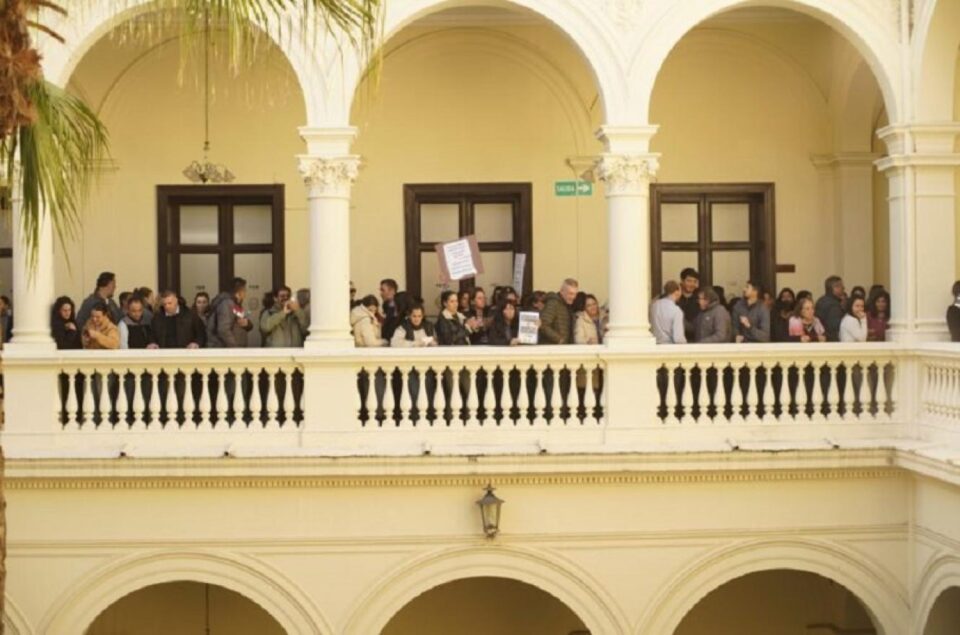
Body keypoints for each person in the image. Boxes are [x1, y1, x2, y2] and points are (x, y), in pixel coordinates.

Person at [207, 277, 253, 348]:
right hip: (224, 350)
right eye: (244, 290)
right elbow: (223, 330)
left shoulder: (235, 304)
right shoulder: (227, 304)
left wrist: (248, 324)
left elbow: (242, 322)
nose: (245, 293)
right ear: (238, 292)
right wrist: (234, 347)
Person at [539, 278, 578, 344]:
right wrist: (559, 339)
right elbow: (543, 324)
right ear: (562, 291)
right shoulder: (553, 303)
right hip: (553, 348)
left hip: (563, 348)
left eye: (575, 294)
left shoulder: (568, 305)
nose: (573, 297)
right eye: (570, 294)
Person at [815, 275, 845, 342]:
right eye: (841, 286)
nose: (844, 288)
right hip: (832, 340)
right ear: (835, 288)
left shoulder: (820, 300)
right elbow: (835, 326)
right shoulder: (833, 304)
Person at [678, 268, 700, 342]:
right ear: (682, 281)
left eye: (694, 281)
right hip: (677, 340)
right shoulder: (675, 298)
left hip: (695, 339)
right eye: (689, 281)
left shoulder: (699, 299)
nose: (692, 284)